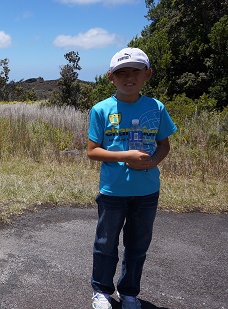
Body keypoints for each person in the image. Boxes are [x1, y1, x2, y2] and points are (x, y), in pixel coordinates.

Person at [87, 47, 178, 309]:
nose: (129, 77)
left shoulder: (155, 107)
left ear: (147, 74)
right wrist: (126, 155)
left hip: (147, 191)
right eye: (122, 72)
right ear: (110, 77)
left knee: (137, 246)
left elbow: (164, 144)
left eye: (135, 71)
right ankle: (101, 291)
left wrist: (153, 161)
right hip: (113, 191)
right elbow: (93, 151)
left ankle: (129, 293)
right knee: (105, 244)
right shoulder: (101, 109)